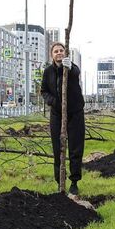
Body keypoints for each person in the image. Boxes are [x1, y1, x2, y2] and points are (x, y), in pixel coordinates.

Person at [41, 42, 86, 195]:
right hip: (57, 114)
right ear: (51, 55)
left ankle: (74, 181)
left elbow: (76, 73)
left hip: (75, 113)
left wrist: (70, 67)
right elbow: (44, 91)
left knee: (75, 147)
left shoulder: (71, 68)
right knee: (57, 148)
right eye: (56, 51)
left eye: (61, 51)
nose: (59, 53)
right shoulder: (48, 72)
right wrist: (54, 102)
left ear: (65, 53)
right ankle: (59, 181)